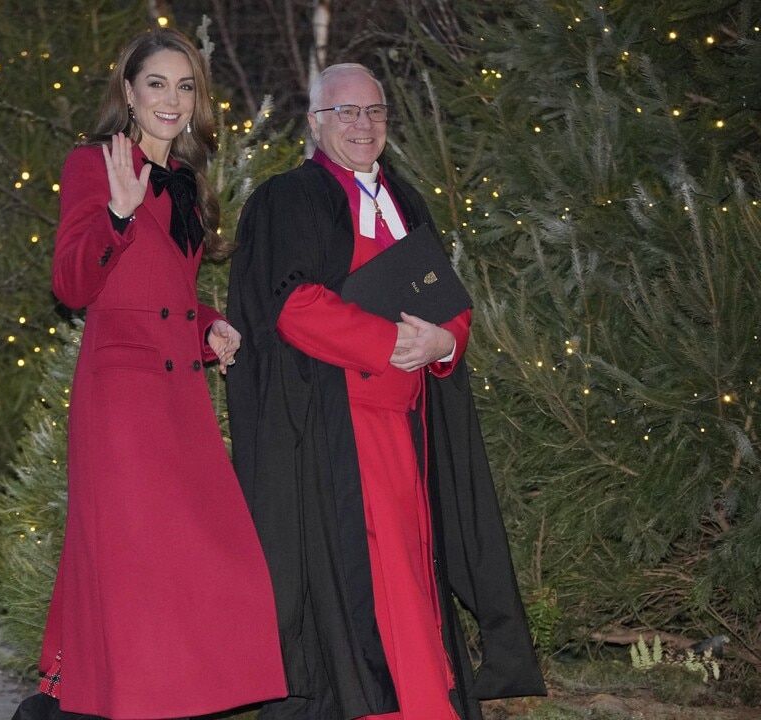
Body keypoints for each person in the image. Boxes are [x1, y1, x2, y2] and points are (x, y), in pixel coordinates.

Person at [226, 63, 546, 720]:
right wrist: (389, 344)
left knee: (415, 578)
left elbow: (446, 298)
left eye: (375, 112)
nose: (363, 125)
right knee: (367, 581)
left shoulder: (407, 201)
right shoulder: (289, 199)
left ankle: (429, 704)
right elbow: (291, 306)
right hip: (339, 433)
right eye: (347, 113)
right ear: (317, 123)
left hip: (411, 431)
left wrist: (444, 343)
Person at [24, 28, 287, 720]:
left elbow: (167, 289)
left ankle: (84, 700)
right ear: (129, 94)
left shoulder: (190, 181)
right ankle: (134, 704)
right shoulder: (92, 164)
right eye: (156, 84)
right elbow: (73, 283)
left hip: (179, 397)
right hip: (121, 402)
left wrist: (209, 326)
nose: (171, 99)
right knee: (139, 572)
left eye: (185, 85)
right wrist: (114, 212)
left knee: (220, 561)